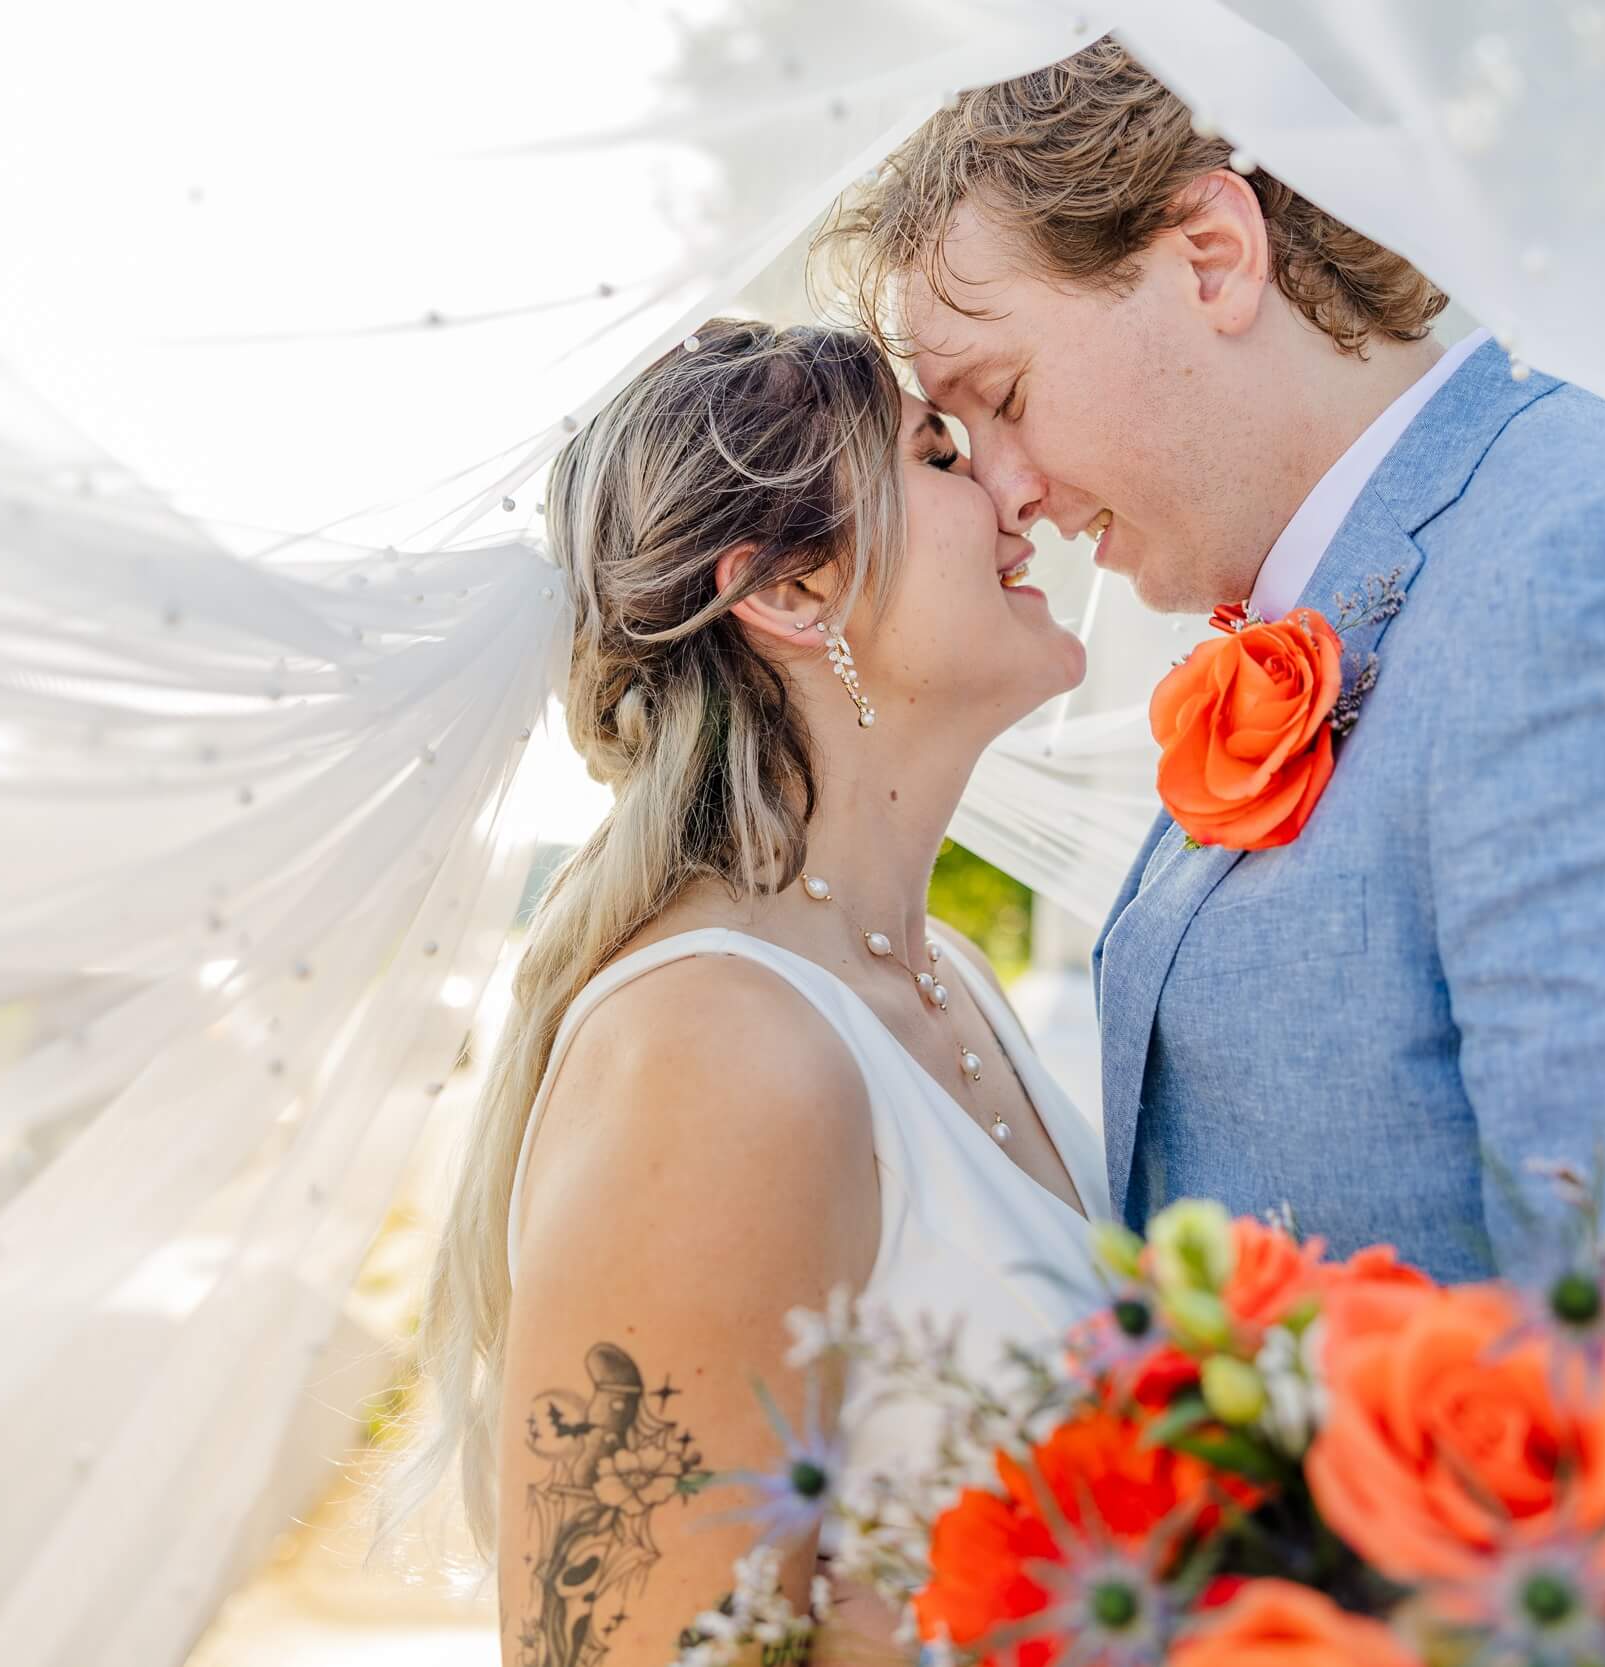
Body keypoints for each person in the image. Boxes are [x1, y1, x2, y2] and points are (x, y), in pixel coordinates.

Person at [820, 36, 1605, 1278]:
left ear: (1212, 257)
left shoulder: (1602, 567)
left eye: (1003, 396)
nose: (1007, 495)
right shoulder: (1332, 606)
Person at [384, 320, 1101, 1662]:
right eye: (939, 451)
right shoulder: (711, 1050)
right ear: (793, 594)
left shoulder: (946, 983)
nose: (1020, 492)